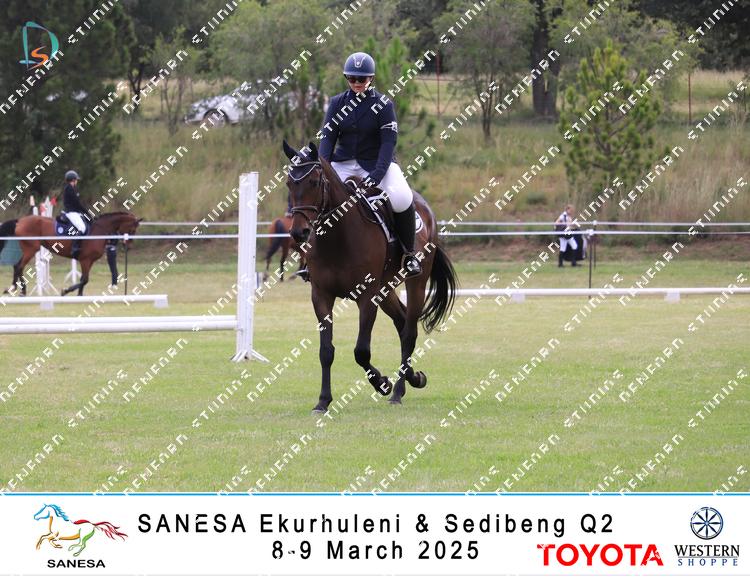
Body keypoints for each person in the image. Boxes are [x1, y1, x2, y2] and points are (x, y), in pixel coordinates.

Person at [317, 51, 422, 278]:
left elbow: (388, 143)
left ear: (371, 78)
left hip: (376, 163)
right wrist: (323, 168)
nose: (357, 82)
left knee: (402, 197)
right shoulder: (336, 103)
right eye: (352, 78)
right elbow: (327, 139)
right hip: (343, 162)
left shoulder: (383, 104)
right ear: (346, 78)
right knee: (320, 195)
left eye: (361, 79)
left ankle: (409, 254)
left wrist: (377, 174)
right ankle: (313, 256)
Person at [62, 170, 89, 257]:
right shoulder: (69, 189)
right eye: (76, 179)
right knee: (82, 227)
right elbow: (77, 203)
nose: (77, 181)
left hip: (75, 212)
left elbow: (77, 203)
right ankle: (74, 247)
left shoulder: (72, 188)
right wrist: (86, 211)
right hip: (71, 212)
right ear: (73, 180)